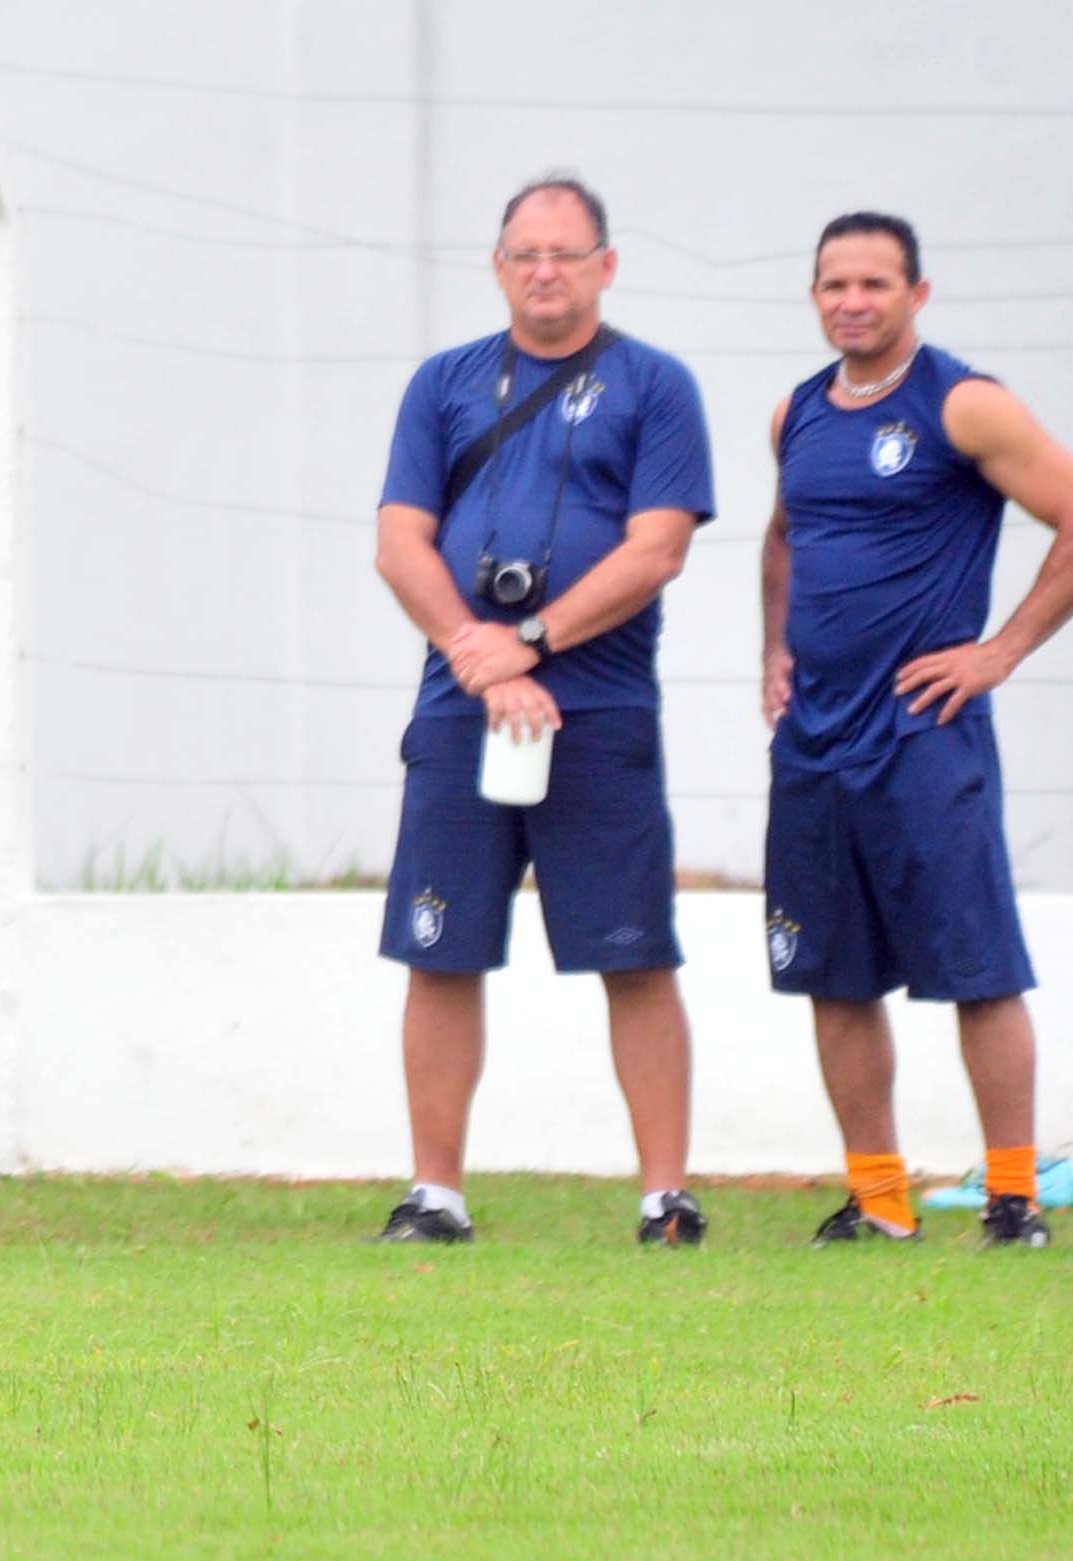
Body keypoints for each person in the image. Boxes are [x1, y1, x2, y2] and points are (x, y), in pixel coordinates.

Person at [762, 213, 1073, 1248]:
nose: (852, 301)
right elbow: (784, 538)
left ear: (917, 294)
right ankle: (880, 1201)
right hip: (814, 740)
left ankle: (1013, 1198)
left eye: (874, 283)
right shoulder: (796, 412)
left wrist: (998, 651)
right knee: (832, 974)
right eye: (834, 284)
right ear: (814, 295)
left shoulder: (963, 403)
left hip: (925, 732)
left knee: (976, 967)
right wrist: (772, 650)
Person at [372, 173, 715, 1244]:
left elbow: (657, 548)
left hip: (598, 711)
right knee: (441, 948)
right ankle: (435, 1193)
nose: (545, 271)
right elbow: (399, 542)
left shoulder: (655, 385)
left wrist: (530, 639)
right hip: (459, 708)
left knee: (632, 951)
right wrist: (479, 658)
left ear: (605, 266)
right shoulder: (444, 383)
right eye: (526, 254)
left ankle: (664, 1196)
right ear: (498, 267)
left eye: (566, 253)